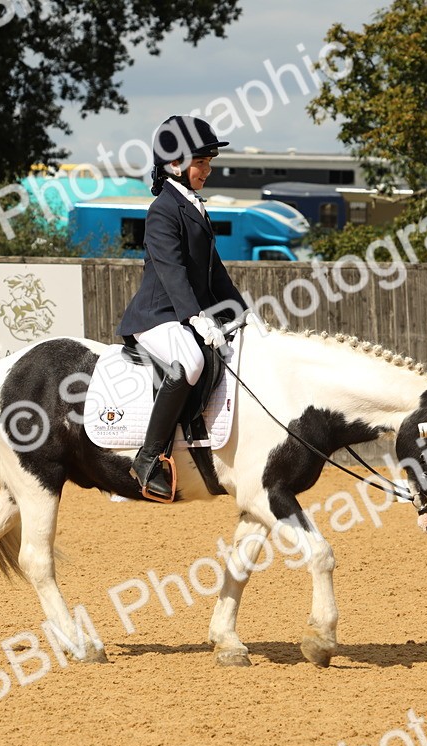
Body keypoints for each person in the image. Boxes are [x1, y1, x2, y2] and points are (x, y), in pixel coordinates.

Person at [116, 115, 249, 501]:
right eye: (201, 162)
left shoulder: (193, 206)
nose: (208, 170)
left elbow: (215, 272)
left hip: (185, 314)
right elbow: (173, 273)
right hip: (157, 316)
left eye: (208, 162)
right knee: (190, 361)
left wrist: (243, 315)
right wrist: (196, 317)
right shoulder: (162, 209)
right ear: (175, 164)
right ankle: (148, 459)